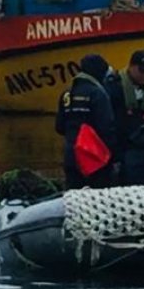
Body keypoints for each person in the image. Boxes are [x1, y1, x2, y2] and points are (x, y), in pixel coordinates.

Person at [55, 54, 117, 189]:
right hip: (94, 158)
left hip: (71, 157)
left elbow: (59, 127)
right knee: (97, 201)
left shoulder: (67, 94)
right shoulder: (98, 94)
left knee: (73, 200)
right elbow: (107, 128)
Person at [103, 49, 144, 156]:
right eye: (142, 70)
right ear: (131, 66)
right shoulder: (113, 87)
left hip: (138, 152)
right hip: (113, 148)